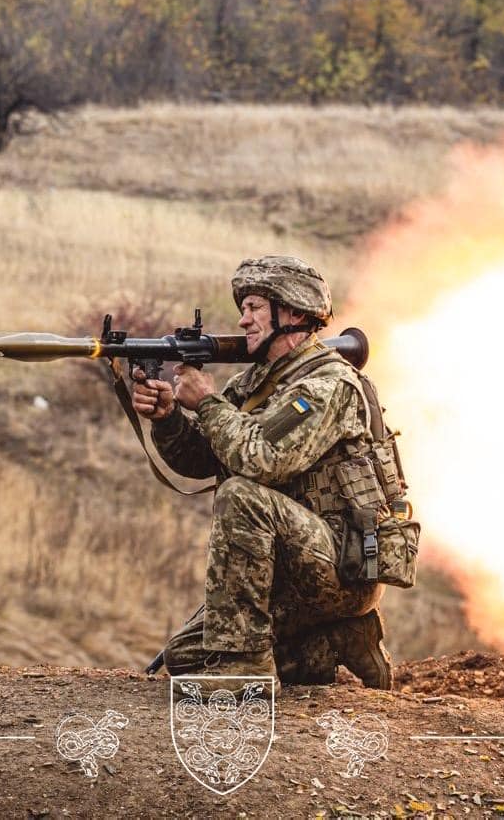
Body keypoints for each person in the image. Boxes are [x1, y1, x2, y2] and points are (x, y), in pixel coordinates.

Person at [130, 255, 400, 687]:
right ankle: (332, 643)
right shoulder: (256, 384)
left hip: (341, 568)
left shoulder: (328, 385)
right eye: (244, 308)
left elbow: (263, 461)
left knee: (241, 495)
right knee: (186, 656)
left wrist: (208, 403)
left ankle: (244, 672)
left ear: (292, 311)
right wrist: (168, 419)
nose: (243, 320)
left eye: (254, 307)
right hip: (287, 574)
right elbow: (203, 458)